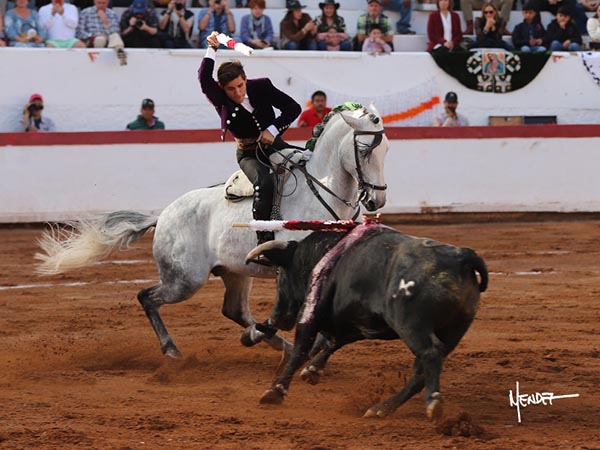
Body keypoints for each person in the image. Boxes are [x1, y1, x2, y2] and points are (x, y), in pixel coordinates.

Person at [199, 30, 302, 244]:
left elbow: (293, 108)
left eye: (240, 85)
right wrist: (212, 47)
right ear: (222, 89)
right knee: (264, 182)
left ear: (245, 79)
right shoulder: (219, 98)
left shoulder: (262, 86)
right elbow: (203, 77)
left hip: (274, 145)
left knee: (306, 164)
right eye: (230, 89)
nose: (237, 92)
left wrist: (272, 130)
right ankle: (263, 239)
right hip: (248, 154)